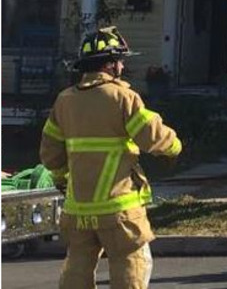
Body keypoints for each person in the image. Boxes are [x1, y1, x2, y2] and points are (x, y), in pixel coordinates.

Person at [40, 27, 182, 289]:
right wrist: (174, 146)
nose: (122, 65)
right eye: (120, 60)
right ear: (110, 64)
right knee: (132, 262)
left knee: (77, 265)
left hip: (78, 210)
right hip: (118, 209)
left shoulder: (64, 100)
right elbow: (152, 136)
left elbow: (50, 154)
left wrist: (62, 179)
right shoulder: (122, 97)